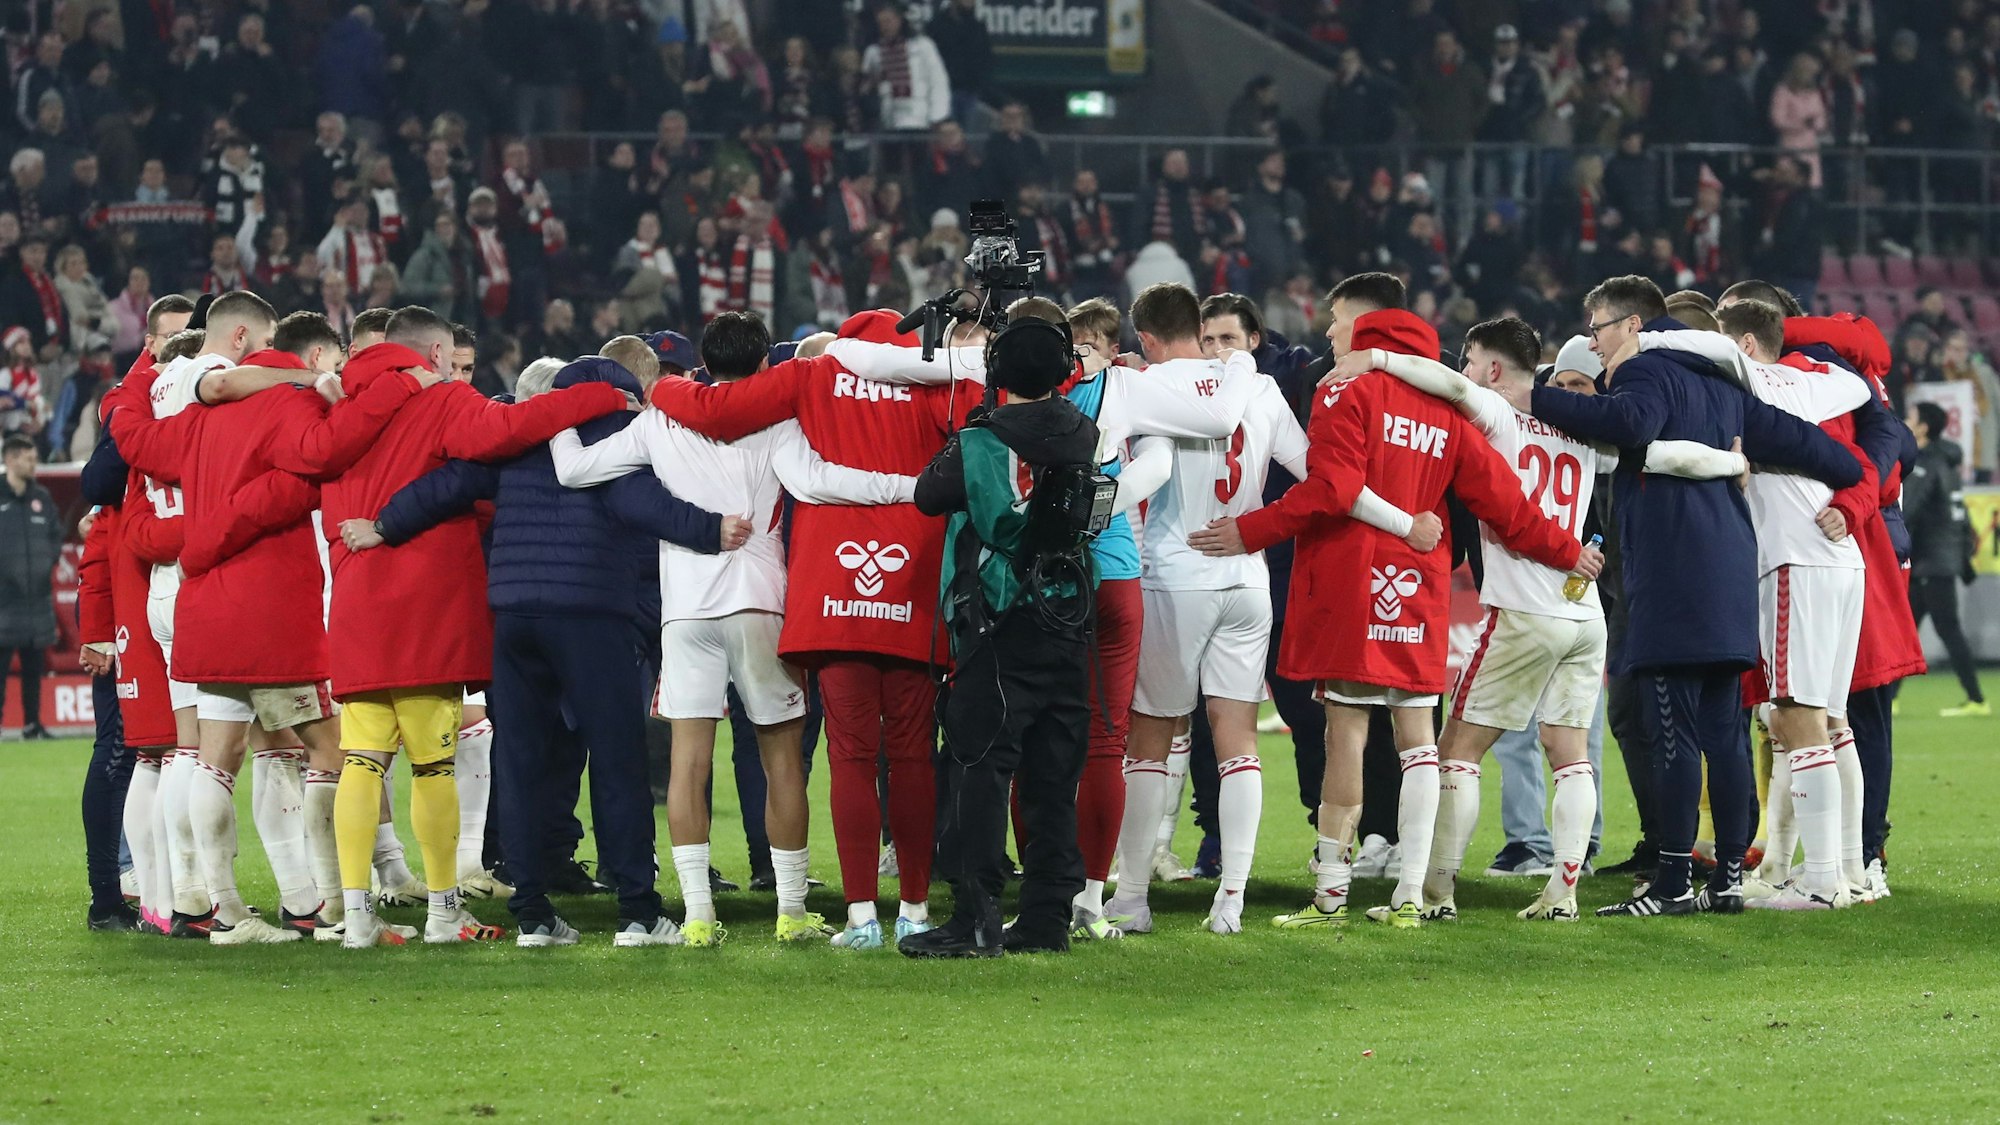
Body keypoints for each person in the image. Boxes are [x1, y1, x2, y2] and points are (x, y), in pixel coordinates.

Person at [1194, 272, 1591, 929]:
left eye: (1339, 321)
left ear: (1368, 330)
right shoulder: (1448, 411)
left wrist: (1250, 530)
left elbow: (1330, 489)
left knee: (1346, 734)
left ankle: (1329, 895)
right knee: (1418, 740)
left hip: (1357, 579)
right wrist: (1568, 550)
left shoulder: (1348, 389)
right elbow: (1506, 502)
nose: (1328, 332)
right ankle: (1410, 892)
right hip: (1422, 588)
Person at [1329, 318, 1739, 920]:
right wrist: (1733, 463)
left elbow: (1445, 384)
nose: (1466, 372)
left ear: (1494, 369)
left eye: (1472, 361)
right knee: (1569, 753)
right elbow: (1665, 455)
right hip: (1583, 614)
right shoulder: (1583, 435)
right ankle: (1563, 893)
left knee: (1456, 751)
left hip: (1523, 608)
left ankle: (1436, 892)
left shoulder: (1496, 414)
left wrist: (1378, 362)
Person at [549, 312, 919, 946]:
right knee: (782, 760)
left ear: (702, 363)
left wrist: (556, 412)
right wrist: (908, 486)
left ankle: (696, 916)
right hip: (758, 601)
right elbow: (816, 482)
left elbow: (574, 470)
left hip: (685, 607)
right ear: (767, 369)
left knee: (689, 762)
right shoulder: (777, 419)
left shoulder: (659, 421)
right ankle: (791, 911)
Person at [1515, 277, 1865, 916]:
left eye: (1596, 329)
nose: (1593, 346)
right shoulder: (1727, 385)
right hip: (1731, 577)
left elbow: (1628, 421)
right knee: (1724, 734)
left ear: (1629, 326)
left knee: (1671, 731)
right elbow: (1825, 454)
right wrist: (1845, 483)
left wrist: (1531, 394)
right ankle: (1727, 878)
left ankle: (1673, 881)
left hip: (1673, 579)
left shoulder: (1645, 371)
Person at [1104, 284, 1422, 937]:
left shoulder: (1145, 385)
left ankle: (1131, 898)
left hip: (1176, 574)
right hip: (1248, 580)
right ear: (1200, 328)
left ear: (1150, 340)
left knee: (1150, 740)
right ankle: (1232, 899)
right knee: (1239, 741)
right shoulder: (1259, 390)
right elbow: (1325, 480)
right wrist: (1402, 522)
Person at [316, 306, 629, 948]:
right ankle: (440, 911)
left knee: (363, 759)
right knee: (434, 763)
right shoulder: (440, 399)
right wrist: (604, 391)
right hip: (423, 600)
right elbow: (514, 427)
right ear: (434, 352)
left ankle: (353, 916)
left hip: (354, 596)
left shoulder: (338, 404)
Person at [899, 318, 1099, 957]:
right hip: (1069, 612)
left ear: (998, 376)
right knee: (1053, 774)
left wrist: (975, 425)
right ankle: (1047, 918)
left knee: (980, 769)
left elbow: (933, 494)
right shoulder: (1080, 428)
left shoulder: (985, 439)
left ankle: (977, 918)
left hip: (1001, 617)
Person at [1904, 400, 1986, 717]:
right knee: (1908, 627)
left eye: (1911, 418)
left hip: (1930, 559)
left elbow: (1910, 508)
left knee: (1944, 628)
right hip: (1937, 559)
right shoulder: (1947, 463)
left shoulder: (1926, 465)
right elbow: (1960, 516)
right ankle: (1889, 697)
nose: (1906, 422)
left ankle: (1977, 699)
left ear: (1923, 427)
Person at [0, 434, 60, 740]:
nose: (32, 462)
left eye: (34, 457)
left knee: (34, 668)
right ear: (10, 459)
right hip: (3, 601)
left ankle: (32, 724)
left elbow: (55, 537)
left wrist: (47, 561)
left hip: (36, 599)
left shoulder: (43, 498)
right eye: (26, 457)